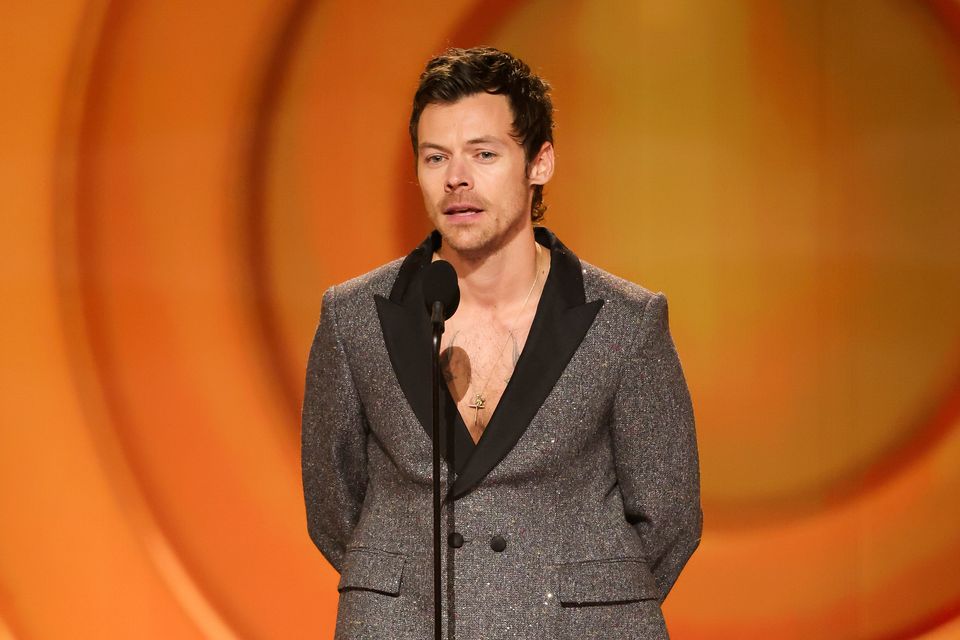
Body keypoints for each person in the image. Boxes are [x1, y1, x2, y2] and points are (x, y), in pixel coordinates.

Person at [301, 46, 701, 640]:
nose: (456, 178)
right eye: (435, 157)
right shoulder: (353, 317)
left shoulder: (627, 322)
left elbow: (669, 517)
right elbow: (334, 505)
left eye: (483, 154)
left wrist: (574, 596)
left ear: (539, 163)